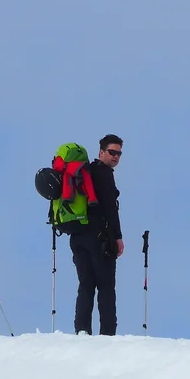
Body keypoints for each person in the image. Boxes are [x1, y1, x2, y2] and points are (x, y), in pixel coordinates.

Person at [71, 134, 124, 336]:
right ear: (101, 152)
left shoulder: (84, 173)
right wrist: (117, 237)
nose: (116, 157)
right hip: (99, 238)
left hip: (77, 236)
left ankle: (82, 330)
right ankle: (108, 334)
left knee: (85, 284)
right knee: (106, 286)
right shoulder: (104, 173)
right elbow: (111, 208)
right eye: (112, 152)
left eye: (119, 154)